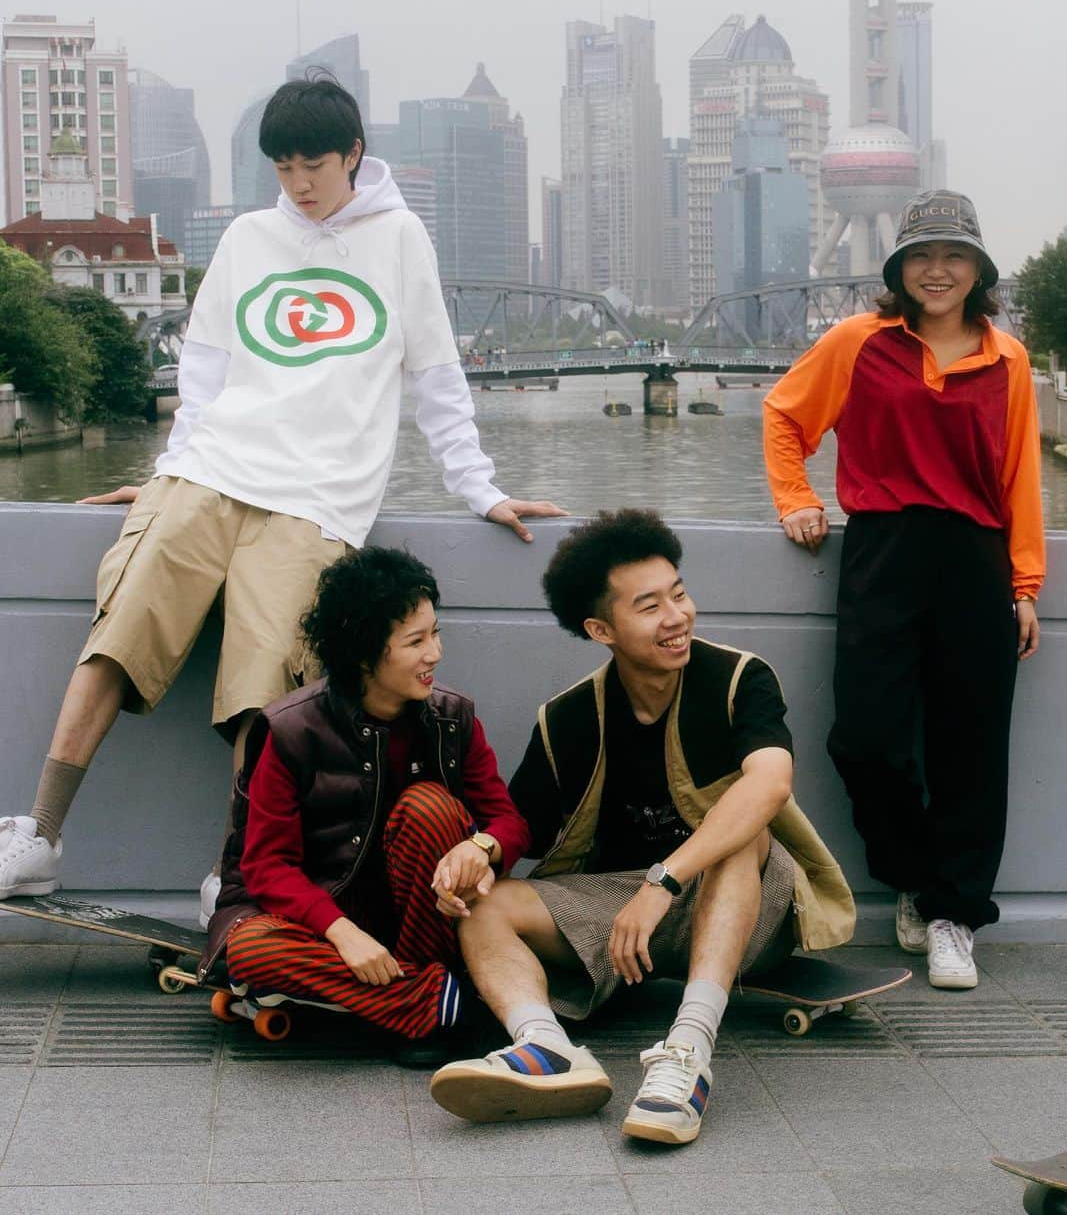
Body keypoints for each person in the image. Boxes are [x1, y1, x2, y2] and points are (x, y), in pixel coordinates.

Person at [0, 74, 562, 917]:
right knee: (121, 627)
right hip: (213, 469)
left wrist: (477, 487)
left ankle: (233, 875)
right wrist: (168, 468)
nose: (298, 185)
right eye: (283, 168)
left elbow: (437, 377)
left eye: (314, 166)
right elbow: (206, 370)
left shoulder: (402, 239)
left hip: (319, 496)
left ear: (354, 158)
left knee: (265, 689)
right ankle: (39, 835)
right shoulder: (250, 235)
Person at [430, 509, 854, 1145]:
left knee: (741, 829)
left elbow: (770, 783)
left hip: (746, 901)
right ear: (602, 628)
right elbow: (519, 823)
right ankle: (546, 1048)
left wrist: (662, 884)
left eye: (679, 593)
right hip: (620, 909)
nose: (677, 616)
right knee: (486, 905)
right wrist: (480, 850)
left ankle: (688, 1053)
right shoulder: (568, 719)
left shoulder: (739, 679)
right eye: (650, 606)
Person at [762, 189, 1044, 991]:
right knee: (865, 740)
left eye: (954, 256)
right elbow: (786, 417)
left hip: (976, 560)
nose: (937, 270)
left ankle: (956, 914)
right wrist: (797, 500)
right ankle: (920, 880)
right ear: (897, 269)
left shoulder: (1008, 358)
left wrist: (1024, 582)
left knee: (972, 748)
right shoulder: (859, 342)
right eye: (921, 256)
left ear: (979, 269)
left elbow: (1022, 474)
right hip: (883, 553)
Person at [198, 546, 530, 1054]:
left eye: (435, 633)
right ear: (363, 652)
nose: (434, 654)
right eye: (415, 641)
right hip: (316, 918)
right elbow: (265, 867)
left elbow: (508, 820)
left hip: (419, 921)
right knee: (247, 948)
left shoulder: (452, 718)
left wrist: (482, 846)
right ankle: (434, 1004)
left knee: (430, 807)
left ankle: (401, 1001)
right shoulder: (291, 730)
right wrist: (342, 933)